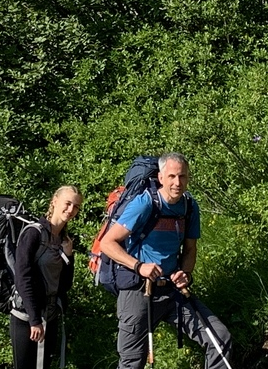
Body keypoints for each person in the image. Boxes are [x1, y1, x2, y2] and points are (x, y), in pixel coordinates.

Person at [98, 153, 232, 369]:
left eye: (182, 176)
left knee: (219, 338)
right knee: (132, 363)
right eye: (171, 176)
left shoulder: (189, 206)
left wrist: (185, 273)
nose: (177, 183)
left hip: (173, 291)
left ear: (188, 178)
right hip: (138, 291)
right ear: (161, 177)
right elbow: (107, 243)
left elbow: (190, 249)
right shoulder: (144, 204)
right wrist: (139, 266)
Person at [12, 186, 83, 369]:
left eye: (76, 207)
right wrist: (34, 320)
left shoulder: (65, 240)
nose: (71, 210)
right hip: (26, 316)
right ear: (54, 201)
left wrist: (69, 257)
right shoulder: (33, 233)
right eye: (67, 204)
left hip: (50, 315)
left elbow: (64, 285)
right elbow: (22, 278)